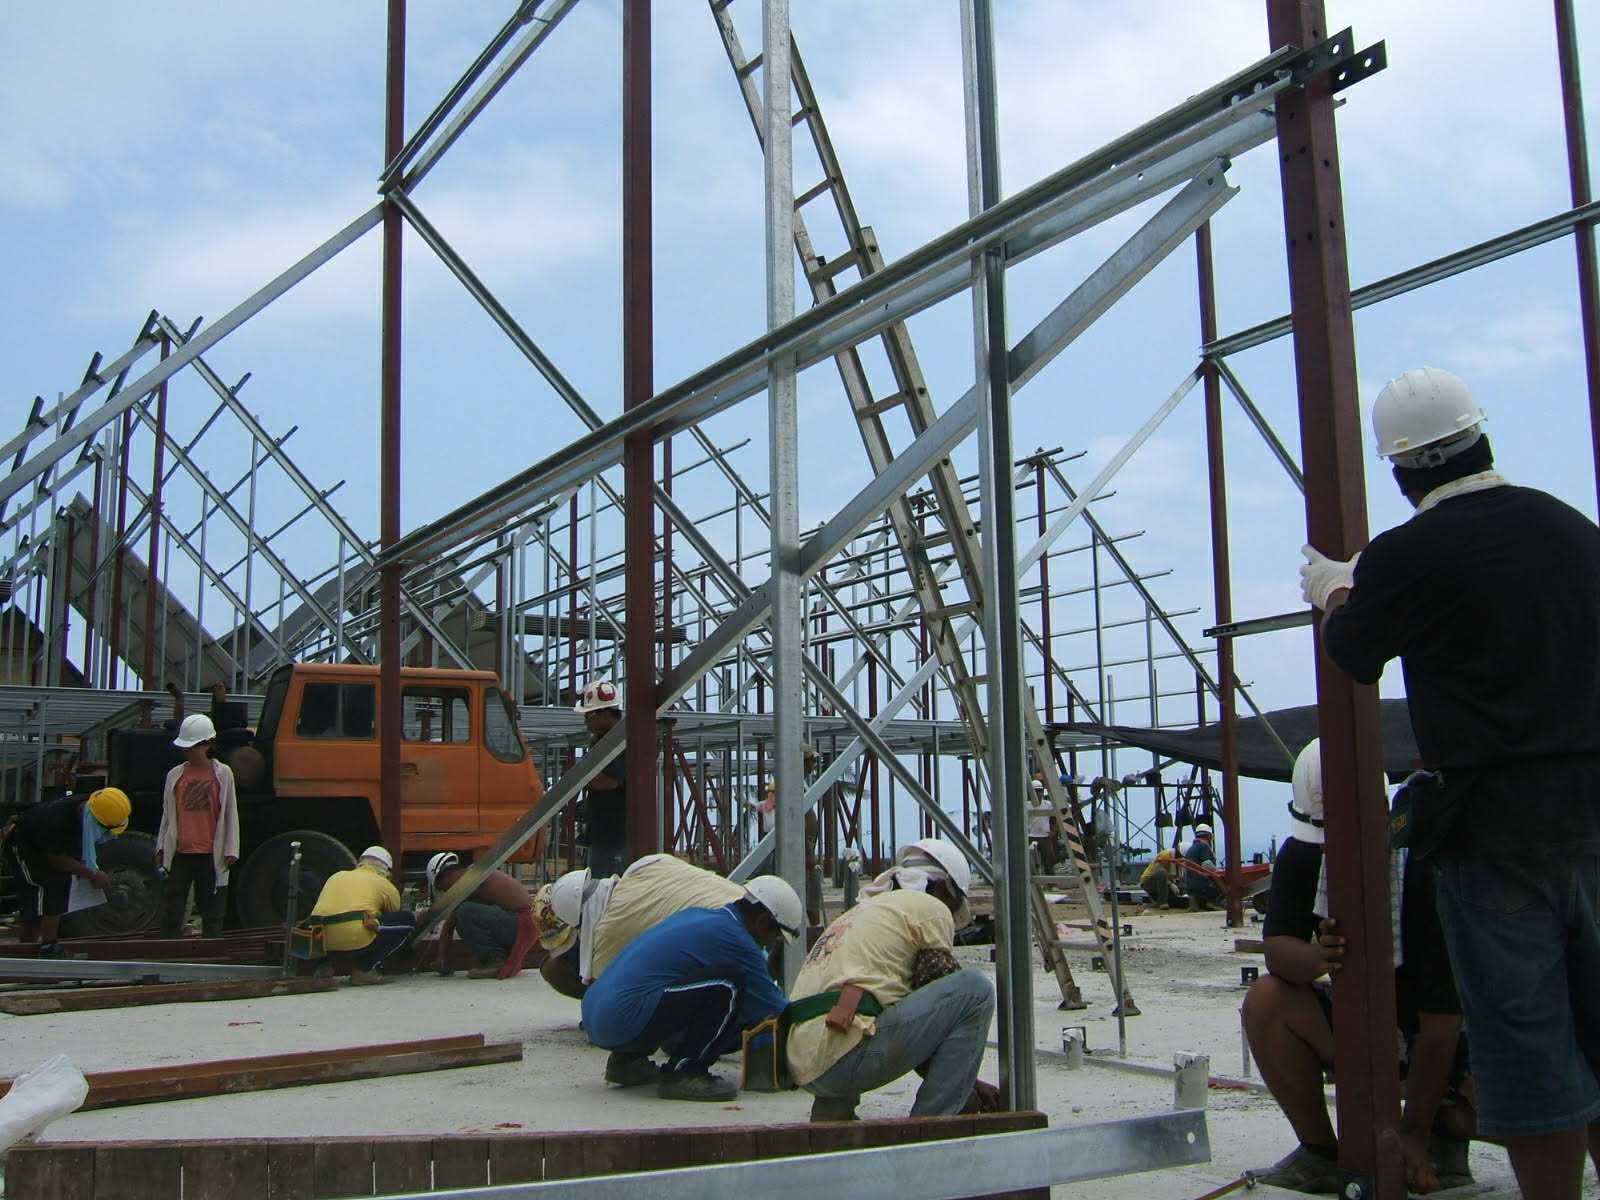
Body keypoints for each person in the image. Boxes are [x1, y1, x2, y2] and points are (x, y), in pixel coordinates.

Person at [1303, 367, 1600, 1200]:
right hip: (1594, 809)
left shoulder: (1412, 554)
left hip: (1491, 828)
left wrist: (1337, 592)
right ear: (1483, 436)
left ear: (1401, 472)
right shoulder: (1574, 531)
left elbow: (1356, 652)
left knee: (1529, 1043)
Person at [1244, 741, 1471, 1194]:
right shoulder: (1303, 853)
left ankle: (1446, 1129)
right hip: (1362, 1025)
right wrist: (1316, 957)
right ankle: (1322, 1153)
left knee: (1523, 1098)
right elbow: (1277, 950)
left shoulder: (1425, 870)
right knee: (1266, 1002)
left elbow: (1443, 1023)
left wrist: (1411, 1134)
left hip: (1445, 1039)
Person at [788, 838, 999, 1122]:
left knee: (857, 1003)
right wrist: (960, 1086)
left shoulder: (861, 912)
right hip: (842, 1058)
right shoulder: (929, 907)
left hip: (801, 1061)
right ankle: (934, 1123)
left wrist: (965, 1081)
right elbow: (944, 1008)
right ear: (941, 888)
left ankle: (833, 1122)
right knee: (975, 991)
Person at [580, 875, 800, 1101]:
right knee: (729, 984)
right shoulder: (736, 940)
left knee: (677, 983)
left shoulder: (701, 915)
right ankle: (685, 1073)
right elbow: (779, 1012)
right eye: (774, 937)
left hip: (598, 1015)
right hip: (623, 1020)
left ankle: (627, 1062)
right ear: (762, 921)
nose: (769, 944)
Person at [542, 853, 746, 999]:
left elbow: (602, 1007)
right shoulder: (647, 864)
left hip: (730, 950)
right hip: (755, 909)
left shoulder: (609, 933)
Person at [1, 788, 131, 953]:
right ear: (95, 819)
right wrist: (91, 874)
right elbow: (58, 859)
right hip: (25, 846)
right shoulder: (59, 822)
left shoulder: (89, 807)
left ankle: (40, 945)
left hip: (47, 847)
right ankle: (41, 946)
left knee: (58, 886)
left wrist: (89, 869)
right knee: (44, 889)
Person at [155, 713, 240, 938]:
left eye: (191, 746)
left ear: (206, 745)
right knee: (173, 903)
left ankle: (211, 950)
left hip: (210, 851)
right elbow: (167, 815)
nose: (187, 751)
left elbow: (230, 812)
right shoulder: (175, 775)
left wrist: (231, 848)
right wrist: (161, 847)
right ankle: (168, 948)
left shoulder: (223, 774)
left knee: (212, 905)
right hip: (181, 851)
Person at [307, 845, 414, 985]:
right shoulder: (385, 884)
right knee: (407, 920)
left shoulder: (337, 875)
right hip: (356, 936)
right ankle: (365, 970)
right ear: (387, 870)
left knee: (327, 919)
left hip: (320, 940)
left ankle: (324, 968)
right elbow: (393, 913)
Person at [423, 851, 539, 980]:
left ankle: (496, 961)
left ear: (446, 876)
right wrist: (442, 959)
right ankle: (494, 959)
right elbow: (449, 924)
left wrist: (513, 961)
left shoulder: (476, 880)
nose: (444, 892)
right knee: (462, 915)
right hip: (515, 926)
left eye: (442, 888)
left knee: (466, 911)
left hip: (524, 925)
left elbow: (530, 921)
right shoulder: (469, 881)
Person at [574, 680, 628, 878]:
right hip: (603, 836)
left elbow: (610, 780)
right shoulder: (602, 741)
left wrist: (577, 778)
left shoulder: (622, 739)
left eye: (588, 715)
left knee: (607, 896)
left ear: (604, 713)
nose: (586, 722)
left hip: (616, 840)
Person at [1027, 778, 1061, 875]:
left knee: (1048, 860)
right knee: (1030, 862)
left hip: (1044, 837)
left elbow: (1059, 816)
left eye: (1040, 791)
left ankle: (1051, 884)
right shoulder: (1026, 805)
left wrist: (1054, 830)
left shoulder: (1048, 805)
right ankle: (1032, 884)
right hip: (1030, 836)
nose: (1039, 793)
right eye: (1036, 791)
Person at [1183, 824, 1220, 910]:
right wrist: (1218, 872)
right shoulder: (1203, 846)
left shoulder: (1192, 848)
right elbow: (1207, 865)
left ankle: (1196, 903)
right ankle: (1212, 902)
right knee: (1225, 884)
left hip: (1191, 888)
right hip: (1203, 887)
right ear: (1208, 836)